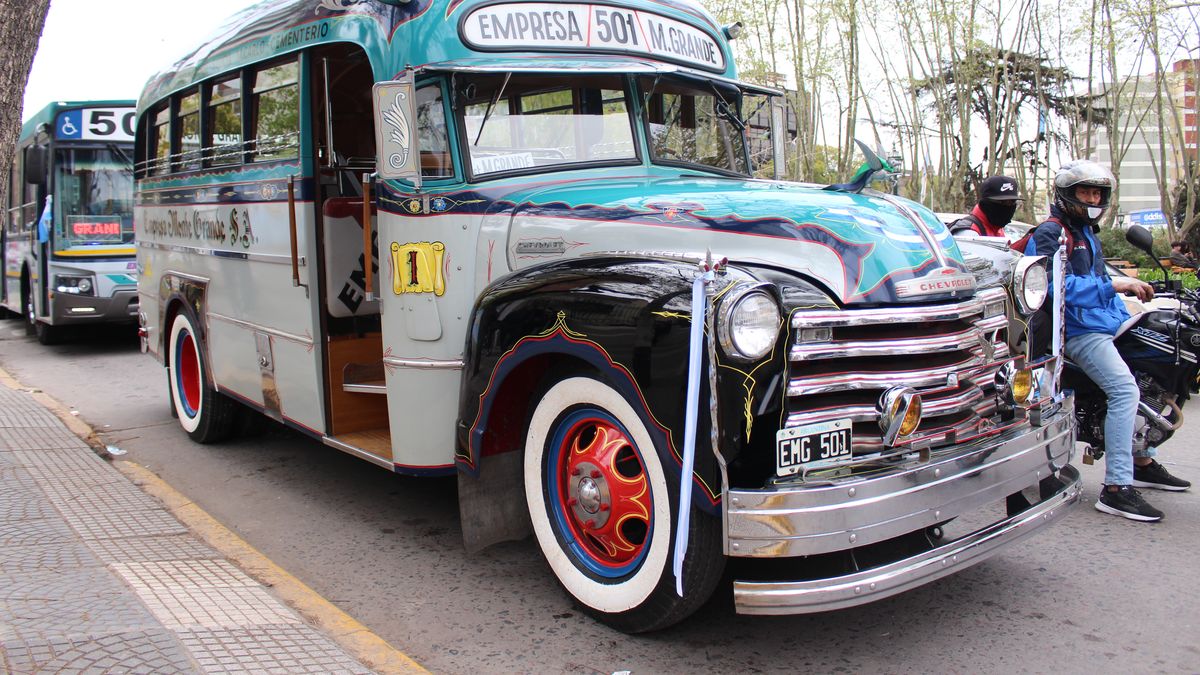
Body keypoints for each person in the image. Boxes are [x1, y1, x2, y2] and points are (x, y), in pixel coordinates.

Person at [1028, 159, 1191, 522]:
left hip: (1104, 323)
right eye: (1085, 192)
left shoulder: (1086, 232)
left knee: (1157, 371)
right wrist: (1113, 285)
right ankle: (1117, 488)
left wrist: (1132, 299)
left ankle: (1142, 460)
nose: (1092, 198)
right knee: (1125, 390)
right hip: (1077, 331)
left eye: (1097, 192)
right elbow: (1048, 286)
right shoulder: (1051, 233)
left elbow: (1101, 283)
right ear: (1068, 195)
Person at [949, 175, 1022, 237]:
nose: (1007, 207)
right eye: (1002, 202)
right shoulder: (969, 233)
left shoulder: (998, 230)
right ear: (986, 202)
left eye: (1012, 202)